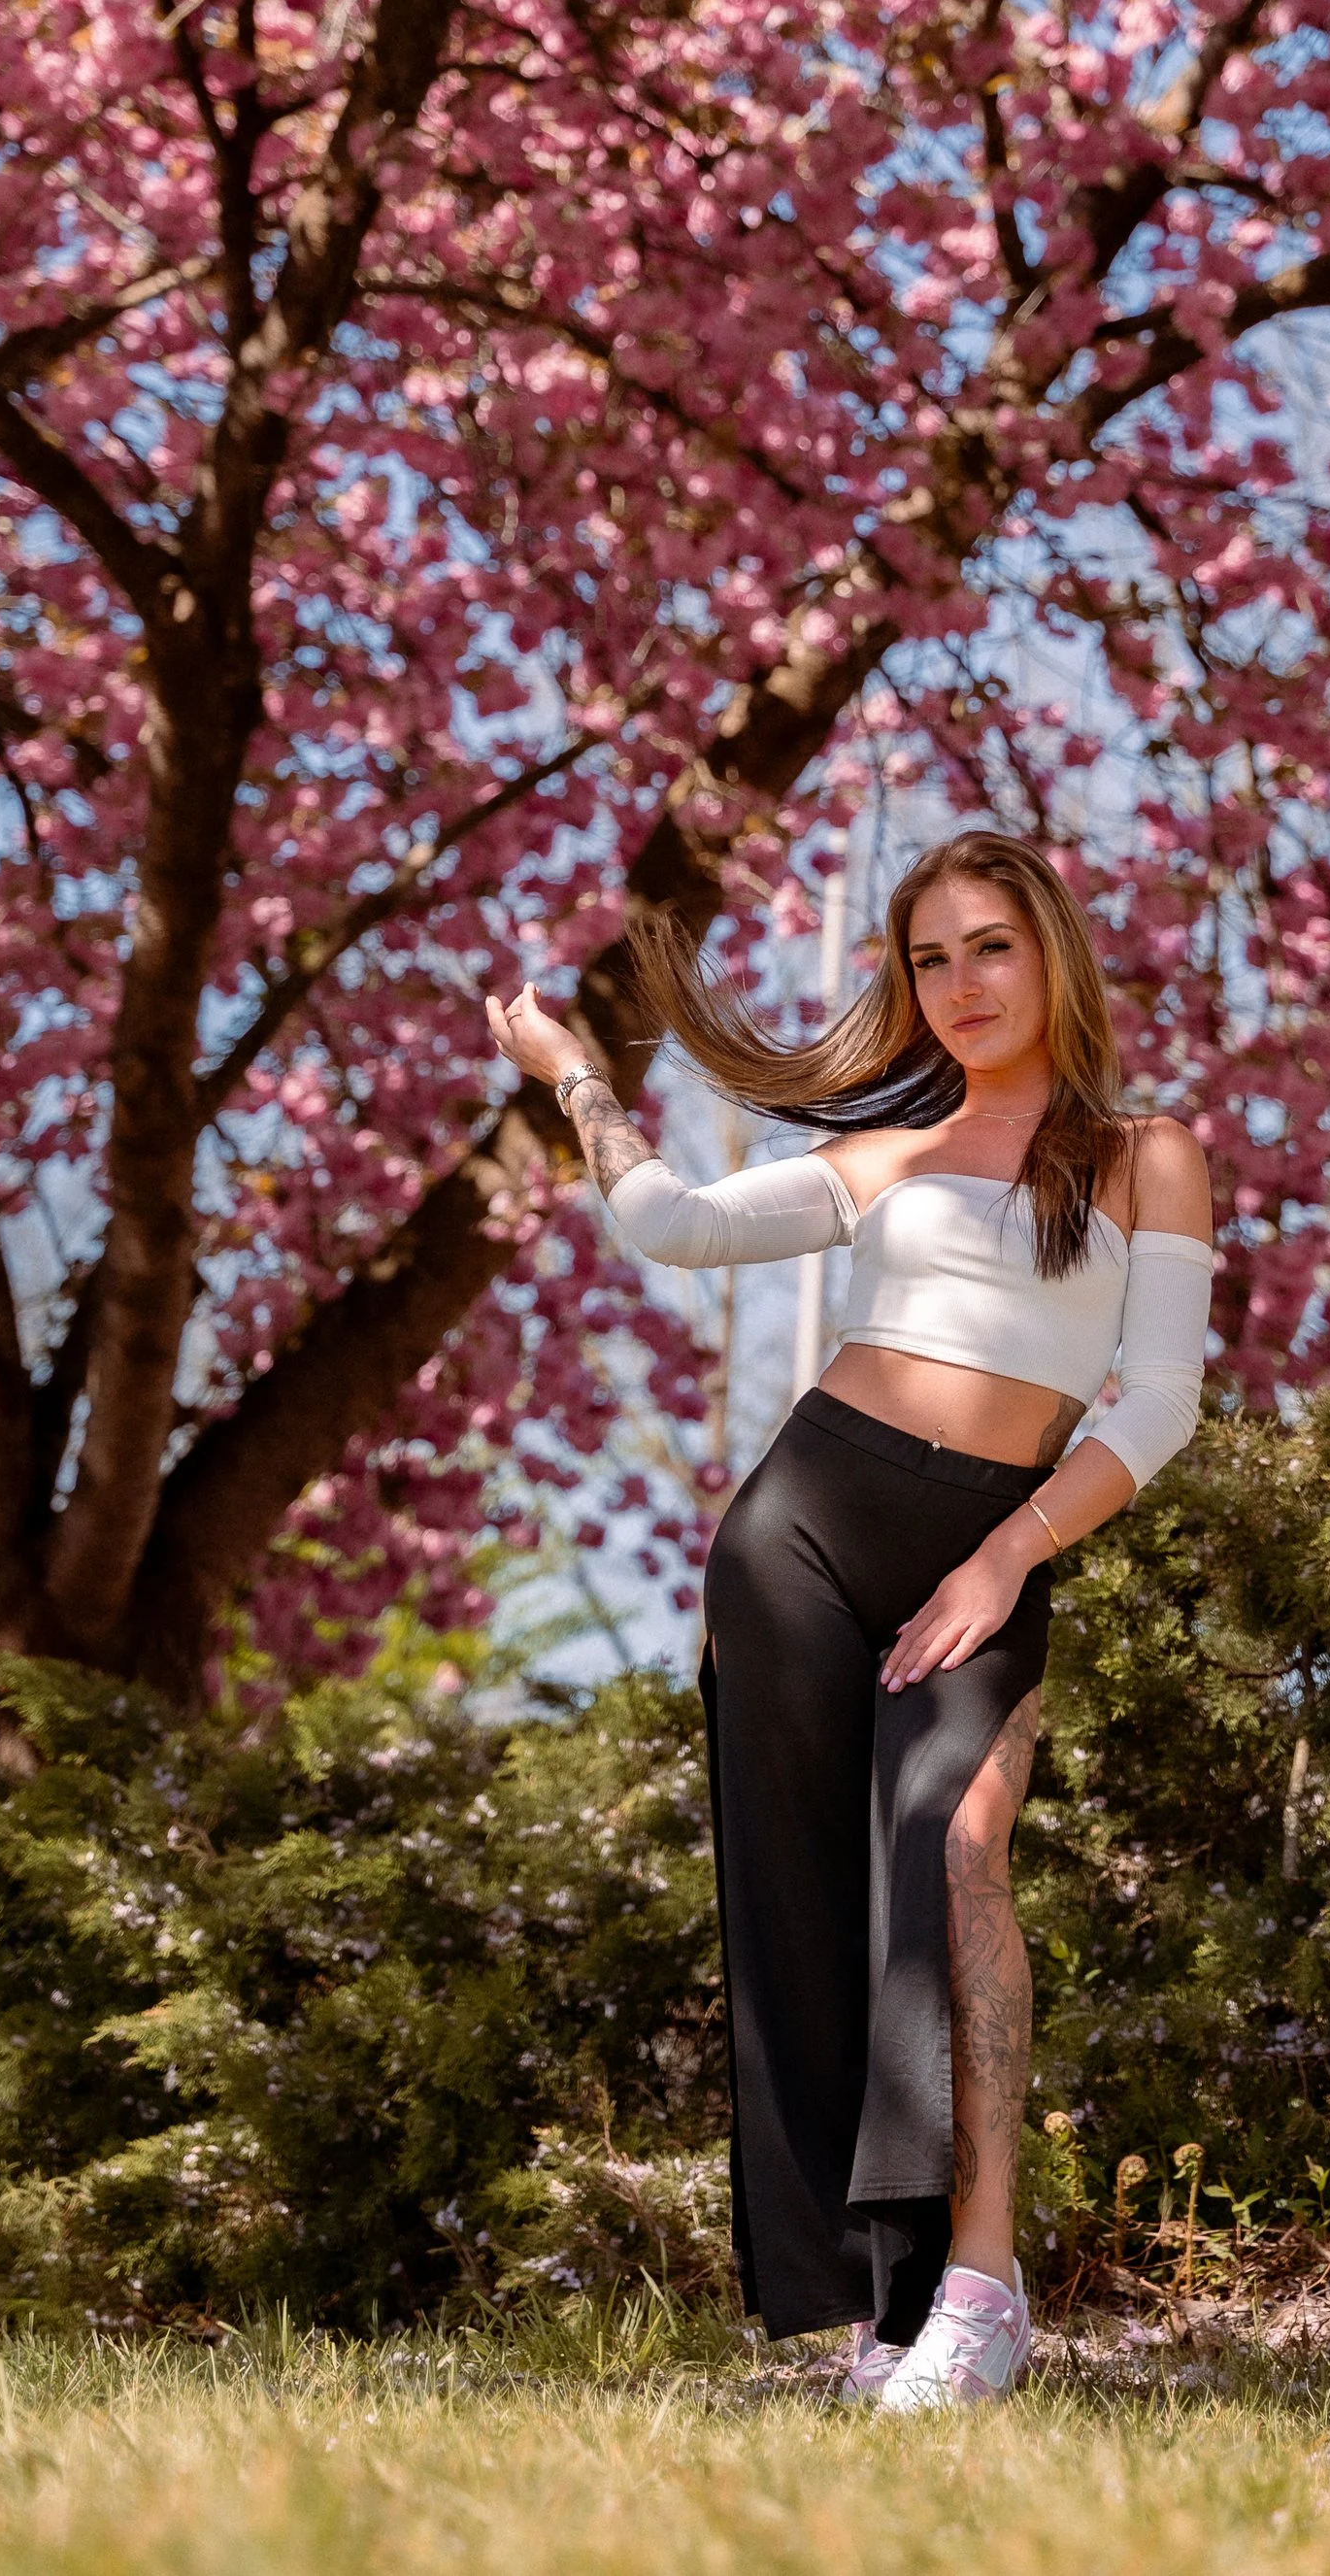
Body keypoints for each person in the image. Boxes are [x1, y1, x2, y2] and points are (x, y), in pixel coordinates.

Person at [487, 829, 1213, 2411]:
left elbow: (1157, 1402)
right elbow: (669, 1221)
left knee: (953, 1852)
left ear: (1055, 956)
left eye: (990, 947)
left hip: (990, 1542)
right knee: (802, 1896)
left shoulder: (1143, 1151)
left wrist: (1009, 1552)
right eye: (929, 958)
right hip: (801, 1527)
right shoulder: (888, 1156)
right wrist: (577, 1081)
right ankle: (879, 2315)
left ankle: (981, 2283)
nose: (960, 984)